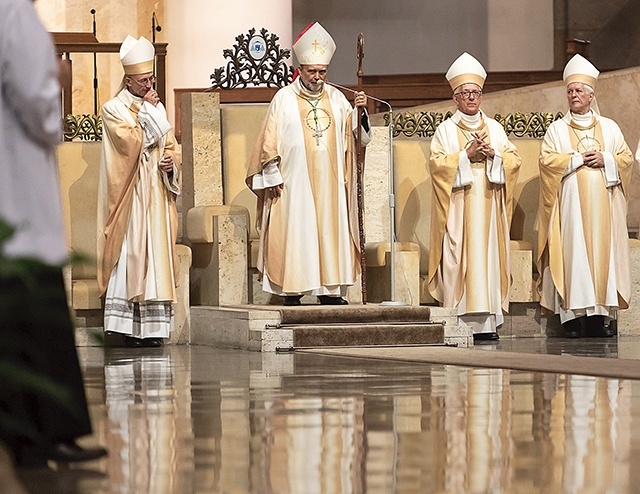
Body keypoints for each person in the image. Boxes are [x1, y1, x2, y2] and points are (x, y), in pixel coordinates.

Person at [0, 0, 107, 467]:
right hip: (17, 197)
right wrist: (58, 84)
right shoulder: (14, 10)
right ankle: (46, 434)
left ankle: (33, 436)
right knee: (34, 319)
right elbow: (37, 105)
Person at [246, 22, 371, 306]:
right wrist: (273, 174)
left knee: (330, 230)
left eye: (322, 72)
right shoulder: (283, 99)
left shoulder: (337, 98)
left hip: (332, 181)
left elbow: (357, 137)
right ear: (300, 70)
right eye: (312, 71)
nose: (317, 77)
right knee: (297, 229)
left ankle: (329, 291)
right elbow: (268, 142)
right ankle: (293, 290)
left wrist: (360, 113)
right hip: (293, 181)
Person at [537, 54, 633, 338]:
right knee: (573, 253)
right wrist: (576, 159)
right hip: (570, 208)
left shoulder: (610, 127)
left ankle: (597, 317)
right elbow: (546, 162)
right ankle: (570, 317)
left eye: (579, 91)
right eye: (569, 91)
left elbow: (626, 159)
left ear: (591, 95)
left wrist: (606, 158)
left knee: (601, 253)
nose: (573, 95)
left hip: (604, 204)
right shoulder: (557, 129)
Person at [428, 52, 522, 342]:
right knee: (460, 257)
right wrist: (465, 156)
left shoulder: (494, 128)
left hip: (489, 205)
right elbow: (436, 165)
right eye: (465, 93)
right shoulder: (445, 130)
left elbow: (514, 160)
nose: (471, 98)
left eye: (475, 93)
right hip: (458, 205)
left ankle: (487, 323)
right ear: (455, 98)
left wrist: (493, 155)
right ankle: (459, 322)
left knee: (488, 258)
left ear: (481, 96)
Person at [97, 35, 181, 347]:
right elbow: (129, 145)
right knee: (131, 253)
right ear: (128, 80)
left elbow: (169, 144)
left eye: (151, 79)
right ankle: (125, 328)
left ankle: (153, 330)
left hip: (157, 194)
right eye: (143, 80)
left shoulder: (156, 107)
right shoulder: (113, 108)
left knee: (156, 258)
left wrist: (172, 162)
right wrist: (150, 113)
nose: (149, 85)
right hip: (131, 195)